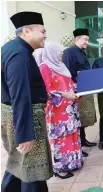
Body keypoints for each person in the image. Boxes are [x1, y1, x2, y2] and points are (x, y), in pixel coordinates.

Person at [1, 11, 53, 191]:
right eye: (42, 31)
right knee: (32, 170)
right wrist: (25, 135)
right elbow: (20, 95)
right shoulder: (19, 54)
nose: (45, 36)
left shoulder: (13, 48)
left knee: (18, 163)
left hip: (19, 116)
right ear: (26, 32)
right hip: (26, 119)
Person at [35, 42, 83, 179]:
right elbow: (44, 91)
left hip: (70, 109)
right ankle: (60, 167)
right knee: (60, 138)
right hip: (57, 111)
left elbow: (69, 83)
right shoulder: (45, 67)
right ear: (52, 52)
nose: (62, 53)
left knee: (72, 135)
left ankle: (73, 162)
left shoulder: (61, 66)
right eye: (60, 51)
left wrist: (80, 86)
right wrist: (64, 94)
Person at [62, 28, 97, 156]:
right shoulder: (69, 52)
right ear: (77, 39)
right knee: (77, 118)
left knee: (82, 117)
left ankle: (83, 140)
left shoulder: (82, 52)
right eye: (85, 39)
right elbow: (68, 73)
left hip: (84, 89)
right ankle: (78, 146)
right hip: (76, 91)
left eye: (88, 39)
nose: (87, 42)